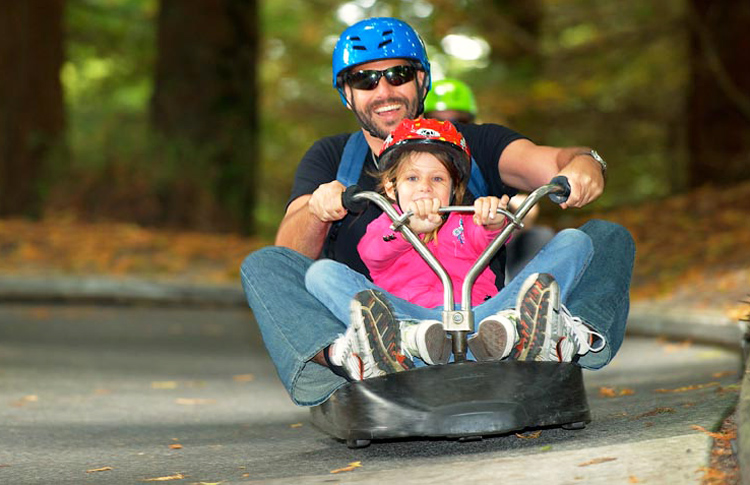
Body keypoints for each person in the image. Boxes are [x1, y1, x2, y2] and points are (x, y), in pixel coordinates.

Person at [240, 17, 635, 407]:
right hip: (386, 319)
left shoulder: (475, 145)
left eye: (398, 74)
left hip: (487, 319)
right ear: (347, 94)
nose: (384, 90)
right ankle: (352, 356)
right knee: (264, 266)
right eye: (365, 80)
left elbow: (553, 162)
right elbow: (290, 256)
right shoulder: (332, 158)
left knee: (607, 238)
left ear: (422, 81)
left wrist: (585, 161)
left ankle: (561, 337)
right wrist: (318, 209)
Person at [304, 118, 605, 381]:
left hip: (485, 320)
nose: (425, 187)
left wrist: (491, 221)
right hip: (414, 322)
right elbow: (373, 253)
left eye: (437, 179)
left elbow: (489, 239)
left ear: (454, 187)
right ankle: (402, 341)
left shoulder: (465, 220)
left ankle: (514, 330)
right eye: (412, 178)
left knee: (574, 240)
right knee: (321, 273)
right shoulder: (384, 225)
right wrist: (409, 232)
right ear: (392, 188)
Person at [425, 78, 555, 281]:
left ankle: (528, 300)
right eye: (437, 123)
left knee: (540, 237)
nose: (448, 130)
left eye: (459, 123)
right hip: (436, 258)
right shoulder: (412, 167)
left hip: (491, 249)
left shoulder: (482, 158)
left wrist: (514, 209)